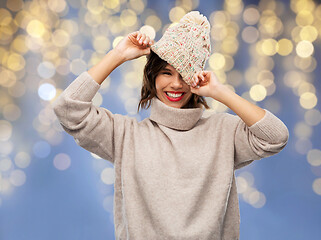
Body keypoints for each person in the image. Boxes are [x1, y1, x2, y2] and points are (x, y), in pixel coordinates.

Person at [52, 11, 289, 240]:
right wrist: (118, 55)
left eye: (185, 73)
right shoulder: (125, 135)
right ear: (152, 76)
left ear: (197, 78)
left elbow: (275, 137)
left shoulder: (224, 132)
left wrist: (220, 92)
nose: (176, 84)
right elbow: (68, 109)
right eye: (166, 73)